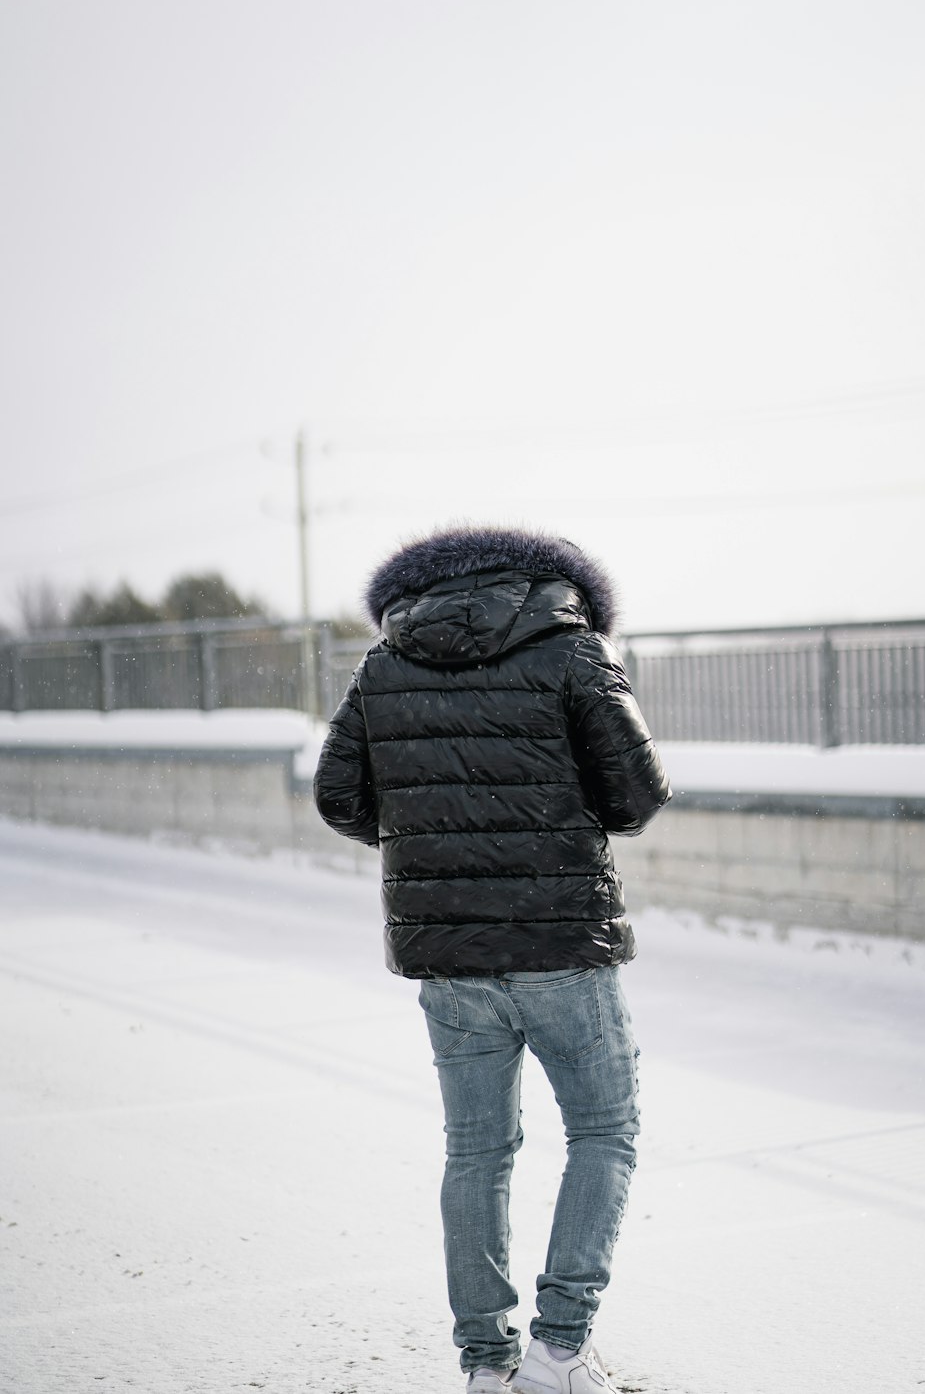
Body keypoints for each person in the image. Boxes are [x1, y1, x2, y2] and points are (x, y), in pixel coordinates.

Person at [313, 526, 670, 1394]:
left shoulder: (383, 663)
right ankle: (559, 1349)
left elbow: (338, 797)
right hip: (562, 942)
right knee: (604, 1132)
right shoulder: (571, 649)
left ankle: (486, 1362)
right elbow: (635, 796)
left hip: (450, 958)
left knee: (476, 1153)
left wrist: (429, 842)